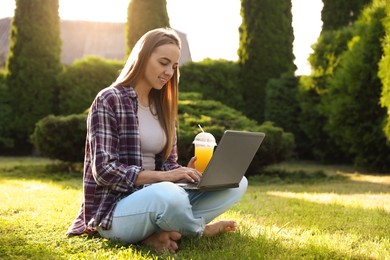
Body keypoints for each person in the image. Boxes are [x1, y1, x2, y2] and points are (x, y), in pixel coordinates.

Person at [66, 27, 248, 253]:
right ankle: (200, 230)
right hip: (116, 209)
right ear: (143, 57)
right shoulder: (109, 99)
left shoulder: (162, 106)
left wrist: (184, 171)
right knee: (169, 195)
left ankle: (156, 235)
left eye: (174, 66)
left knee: (237, 182)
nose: (169, 71)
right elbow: (104, 170)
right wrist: (165, 177)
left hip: (159, 197)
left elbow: (168, 165)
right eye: (163, 62)